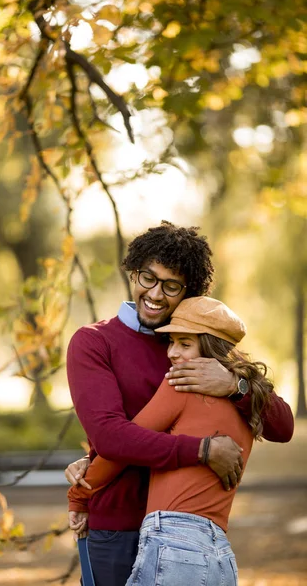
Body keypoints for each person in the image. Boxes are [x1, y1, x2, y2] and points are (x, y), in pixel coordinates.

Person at [66, 222, 293, 586]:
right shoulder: (94, 343)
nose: (155, 293)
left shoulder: (199, 345)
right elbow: (109, 437)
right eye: (147, 278)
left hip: (186, 532)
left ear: (189, 291)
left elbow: (282, 426)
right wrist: (201, 450)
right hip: (117, 525)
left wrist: (236, 385)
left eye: (171, 285)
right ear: (132, 272)